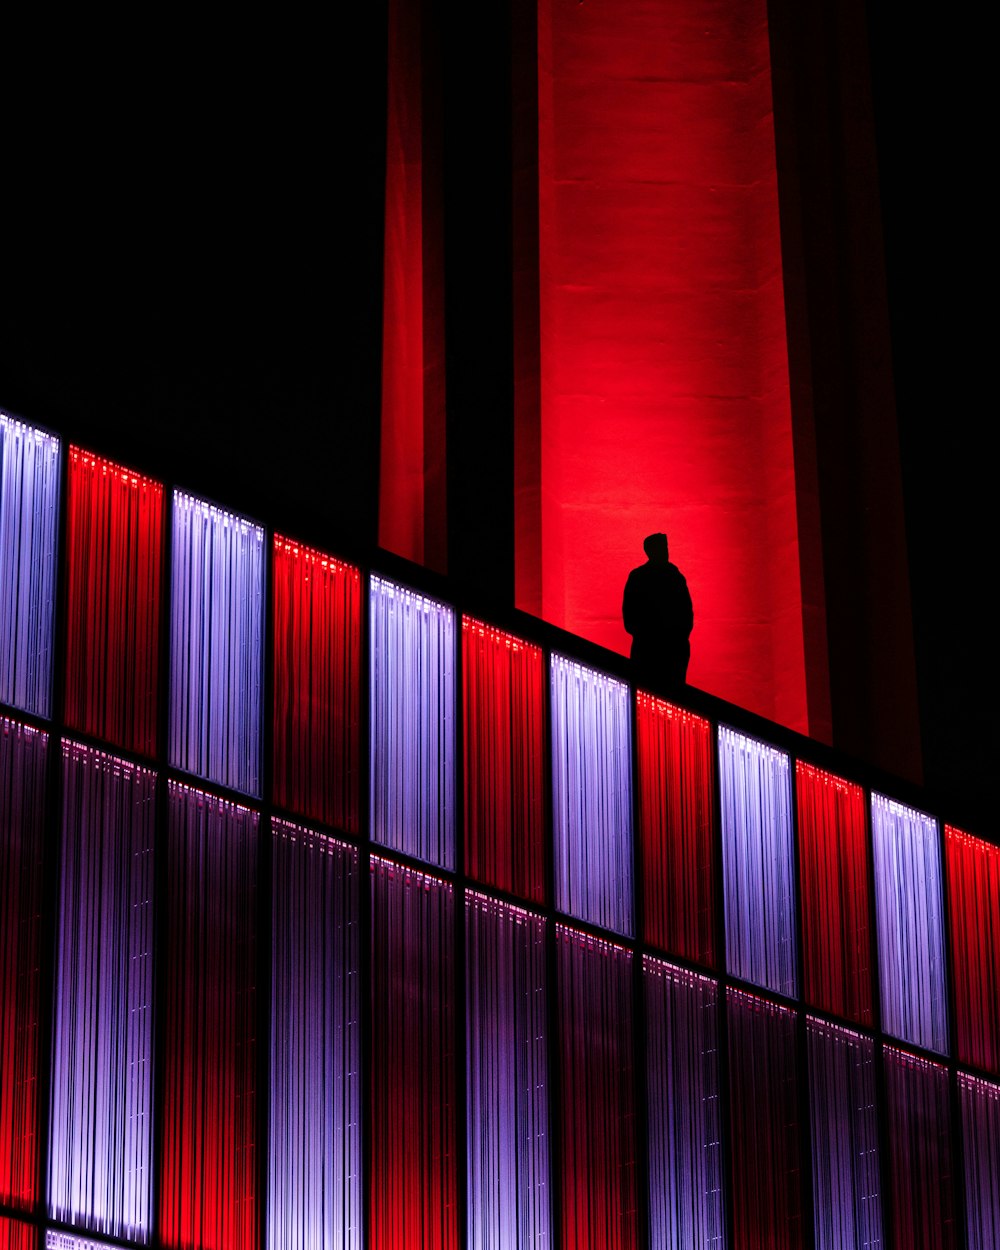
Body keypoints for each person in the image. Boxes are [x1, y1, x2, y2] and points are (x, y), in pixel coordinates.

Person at [622, 532, 693, 690]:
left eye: (666, 548)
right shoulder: (643, 577)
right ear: (652, 551)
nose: (666, 552)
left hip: (667, 650)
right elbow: (630, 616)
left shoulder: (674, 577)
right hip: (652, 650)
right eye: (662, 548)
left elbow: (686, 614)